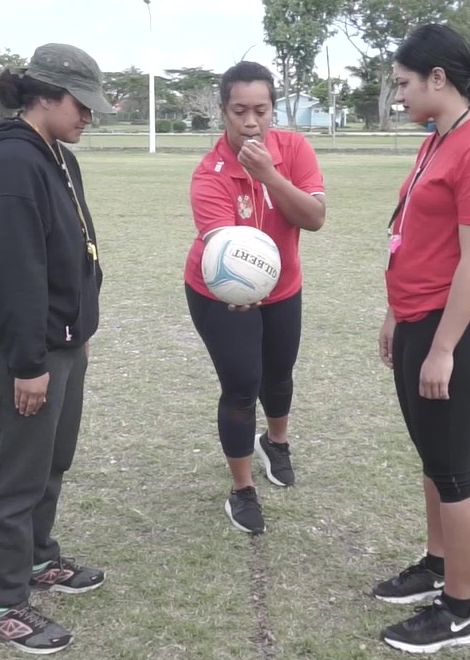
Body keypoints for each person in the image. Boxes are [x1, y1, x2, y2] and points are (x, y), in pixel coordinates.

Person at [0, 42, 114, 655]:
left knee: (52, 458)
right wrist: (28, 364)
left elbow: (75, 249)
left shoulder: (57, 156)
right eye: (81, 104)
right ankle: (4, 603)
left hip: (59, 342)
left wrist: (81, 330)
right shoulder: (9, 166)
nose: (89, 116)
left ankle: (38, 557)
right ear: (43, 95)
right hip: (21, 351)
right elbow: (12, 274)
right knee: (15, 474)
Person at [367, 24, 470, 654]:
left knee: (455, 471)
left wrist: (442, 347)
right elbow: (418, 239)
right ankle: (436, 565)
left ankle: (460, 612)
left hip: (453, 328)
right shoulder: (440, 139)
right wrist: (396, 316)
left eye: (403, 83)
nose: (397, 96)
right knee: (433, 461)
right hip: (419, 318)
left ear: (438, 79)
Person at [183, 61, 328, 534]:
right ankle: (242, 490)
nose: (251, 122)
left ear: (274, 109)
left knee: (280, 373)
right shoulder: (210, 174)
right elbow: (225, 245)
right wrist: (236, 284)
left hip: (283, 285)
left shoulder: (294, 148)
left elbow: (314, 218)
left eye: (261, 110)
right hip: (222, 292)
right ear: (223, 111)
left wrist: (270, 175)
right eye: (239, 111)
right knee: (243, 386)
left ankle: (277, 443)